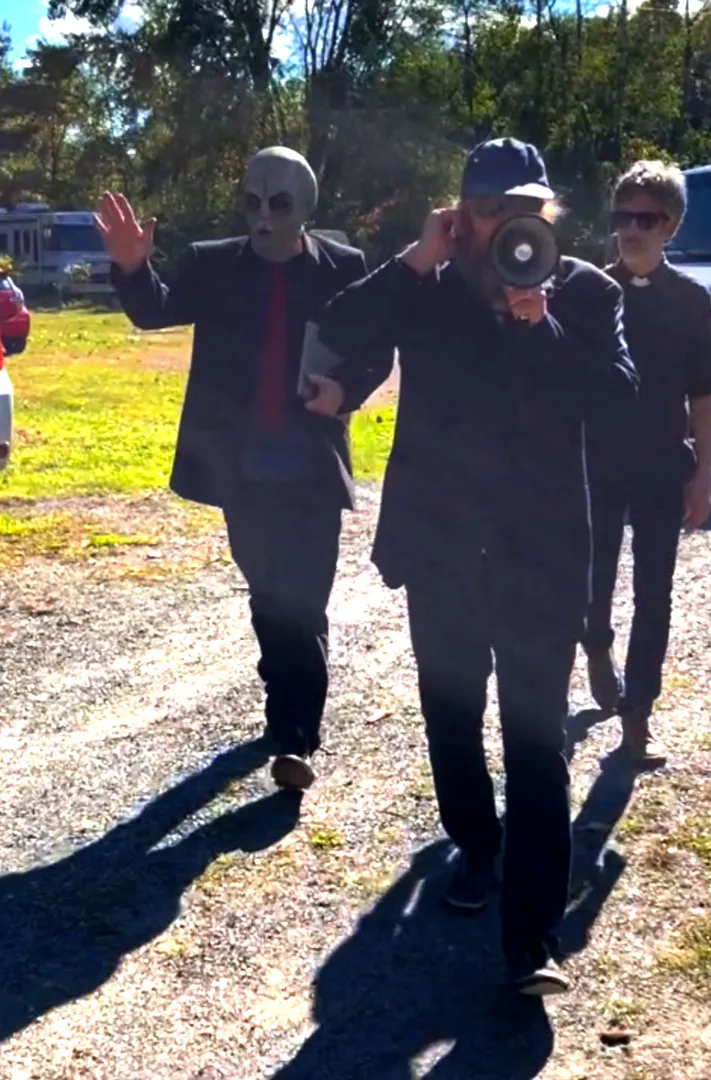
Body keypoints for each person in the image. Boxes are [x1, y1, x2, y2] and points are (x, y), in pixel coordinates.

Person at [303, 137, 638, 995]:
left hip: (542, 555)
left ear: (546, 213)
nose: (506, 226)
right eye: (488, 210)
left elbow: (619, 397)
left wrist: (543, 325)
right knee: (451, 716)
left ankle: (532, 938)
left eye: (523, 209)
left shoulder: (585, 292)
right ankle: (478, 847)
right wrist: (418, 257)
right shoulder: (431, 289)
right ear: (462, 215)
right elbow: (340, 327)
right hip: (443, 547)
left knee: (536, 738)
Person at [95, 146, 371, 793]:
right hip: (243, 468)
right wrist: (132, 266)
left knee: (305, 599)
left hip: (310, 466)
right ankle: (284, 689)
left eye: (279, 204)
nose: (263, 217)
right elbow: (155, 309)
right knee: (269, 594)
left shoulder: (344, 269)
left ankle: (295, 735)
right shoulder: (212, 264)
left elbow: (374, 350)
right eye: (252, 202)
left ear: (306, 207)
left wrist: (345, 392)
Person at [582, 160, 711, 765]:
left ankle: (638, 714)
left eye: (645, 219)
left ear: (670, 226)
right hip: (595, 463)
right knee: (593, 581)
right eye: (623, 217)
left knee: (653, 593)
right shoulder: (588, 290)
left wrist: (704, 475)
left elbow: (706, 392)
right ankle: (596, 643)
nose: (631, 230)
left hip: (663, 463)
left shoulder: (691, 300)